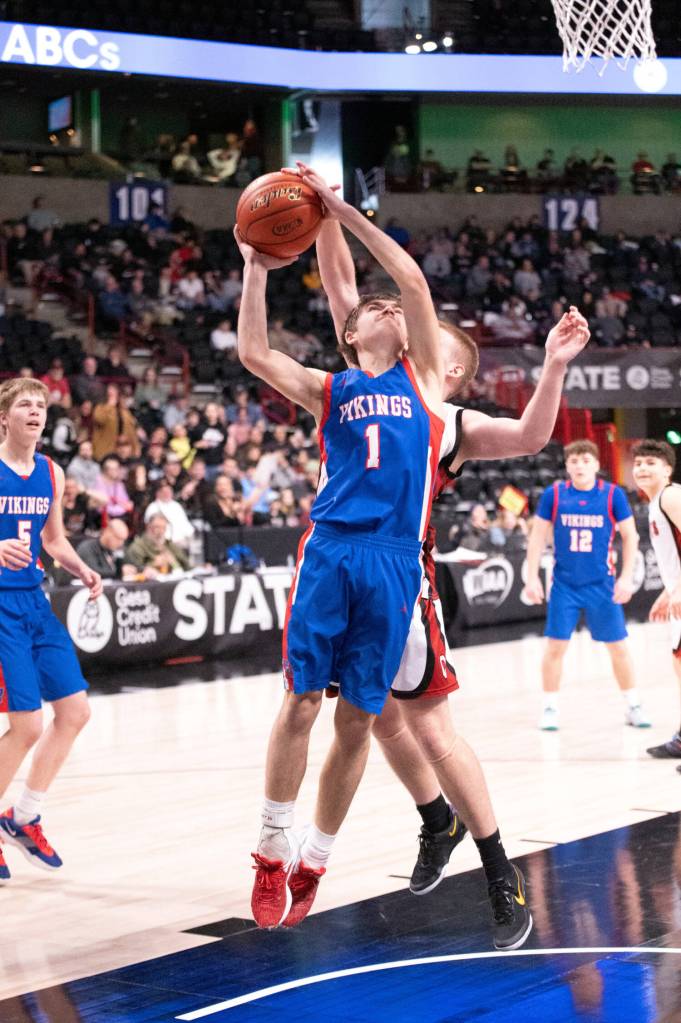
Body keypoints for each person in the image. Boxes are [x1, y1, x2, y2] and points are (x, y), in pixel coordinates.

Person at [314, 190, 589, 950]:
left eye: (437, 339)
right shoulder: (365, 377)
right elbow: (343, 293)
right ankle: (435, 819)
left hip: (405, 575)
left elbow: (534, 434)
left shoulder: (450, 415)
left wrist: (553, 366)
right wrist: (321, 216)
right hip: (347, 566)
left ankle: (498, 864)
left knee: (428, 724)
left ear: (453, 368)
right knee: (377, 715)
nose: (409, 325)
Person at [238, 163, 447, 934]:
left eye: (391, 307)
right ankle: (269, 845)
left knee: (358, 718)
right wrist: (255, 270)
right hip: (332, 548)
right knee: (299, 700)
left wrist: (339, 210)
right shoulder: (332, 386)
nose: (387, 306)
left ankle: (315, 857)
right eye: (371, 308)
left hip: (396, 559)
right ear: (351, 331)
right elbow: (256, 354)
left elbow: (413, 281)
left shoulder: (425, 377)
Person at [0, 377, 102, 881]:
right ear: (5, 418)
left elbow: (53, 538)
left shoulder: (51, 472)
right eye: (24, 404)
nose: (35, 411)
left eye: (40, 405)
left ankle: (22, 816)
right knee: (27, 725)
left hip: (34, 600)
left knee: (75, 712)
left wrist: (80, 567)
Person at [525, 440, 648, 731]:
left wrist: (627, 576)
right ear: (567, 466)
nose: (579, 465)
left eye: (585, 460)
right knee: (555, 646)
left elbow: (631, 536)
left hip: (602, 585)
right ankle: (550, 707)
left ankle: (633, 705)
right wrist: (530, 577)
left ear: (595, 465)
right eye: (573, 461)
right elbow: (537, 537)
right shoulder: (554, 495)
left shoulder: (612, 495)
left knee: (618, 647)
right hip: (564, 585)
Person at [631, 440, 681, 763]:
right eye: (638, 463)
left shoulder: (671, 496)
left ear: (668, 469)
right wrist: (669, 591)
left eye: (651, 462)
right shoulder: (656, 502)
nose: (643, 468)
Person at [122, 513, 190, 580]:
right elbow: (133, 570)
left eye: (164, 528)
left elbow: (187, 566)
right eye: (157, 527)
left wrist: (173, 561)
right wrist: (153, 564)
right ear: (148, 527)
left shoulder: (169, 545)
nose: (161, 531)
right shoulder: (138, 547)